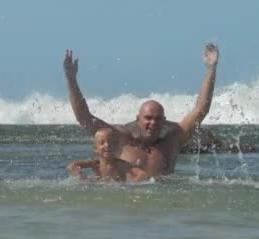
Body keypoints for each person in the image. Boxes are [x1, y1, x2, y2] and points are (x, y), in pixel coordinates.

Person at [63, 43, 219, 178]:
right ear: (138, 119)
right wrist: (71, 79)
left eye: (158, 119)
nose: (153, 123)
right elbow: (84, 118)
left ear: (164, 121)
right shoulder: (119, 138)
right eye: (148, 118)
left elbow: (200, 109)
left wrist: (211, 69)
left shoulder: (174, 139)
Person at [67, 128, 146, 182]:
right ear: (95, 149)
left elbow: (142, 174)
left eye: (111, 142)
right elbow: (72, 166)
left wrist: (133, 183)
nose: (107, 145)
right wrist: (81, 176)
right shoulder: (95, 163)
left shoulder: (121, 164)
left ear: (117, 147)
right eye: (102, 143)